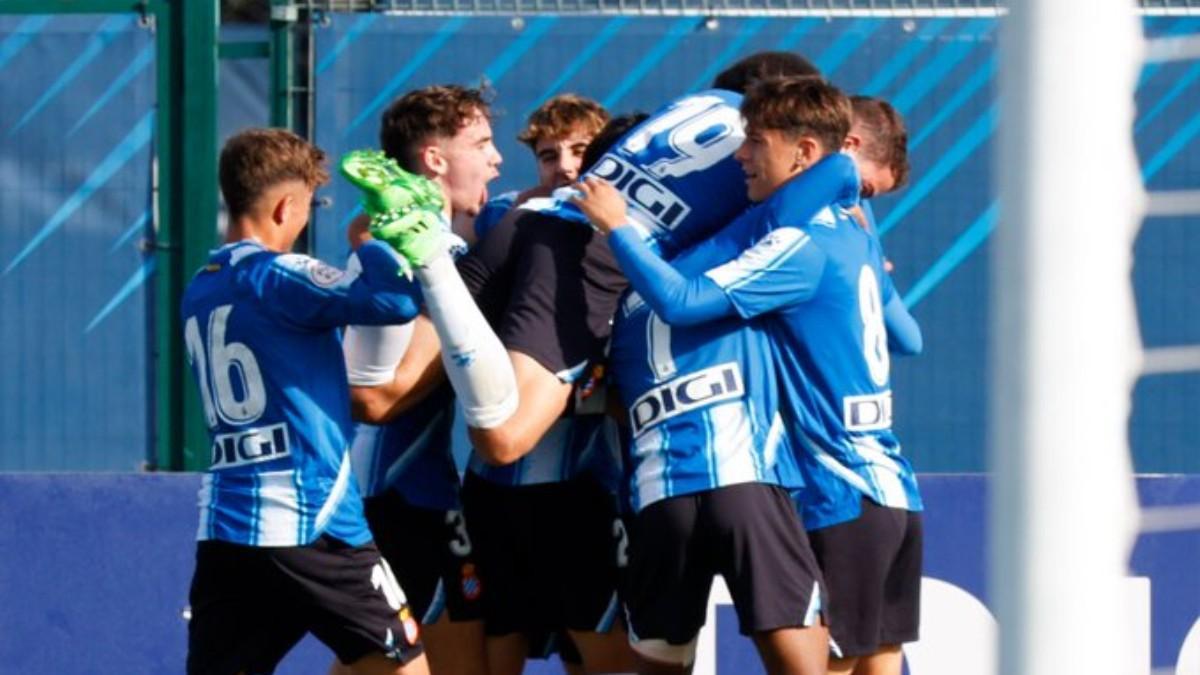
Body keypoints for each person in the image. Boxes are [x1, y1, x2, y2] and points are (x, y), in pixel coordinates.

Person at [573, 76, 923, 675]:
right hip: (890, 490)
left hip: (831, 488)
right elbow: (910, 337)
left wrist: (619, 228)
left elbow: (681, 301)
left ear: (807, 152)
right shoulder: (853, 240)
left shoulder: (788, 246)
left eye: (754, 142)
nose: (740, 157)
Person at [182, 128, 431, 675]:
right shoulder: (278, 274)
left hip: (228, 527)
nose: (304, 222)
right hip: (313, 522)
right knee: (405, 665)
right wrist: (372, 242)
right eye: (307, 207)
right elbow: (392, 300)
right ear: (284, 207)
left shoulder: (201, 285)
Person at [339, 84, 507, 675]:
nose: (496, 157)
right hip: (395, 500)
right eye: (481, 143)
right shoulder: (417, 251)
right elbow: (380, 400)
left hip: (422, 494)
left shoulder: (412, 236)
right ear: (435, 159)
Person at [473, 93, 610, 241]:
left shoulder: (630, 222)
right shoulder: (500, 210)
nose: (564, 167)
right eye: (549, 157)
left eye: (579, 152)